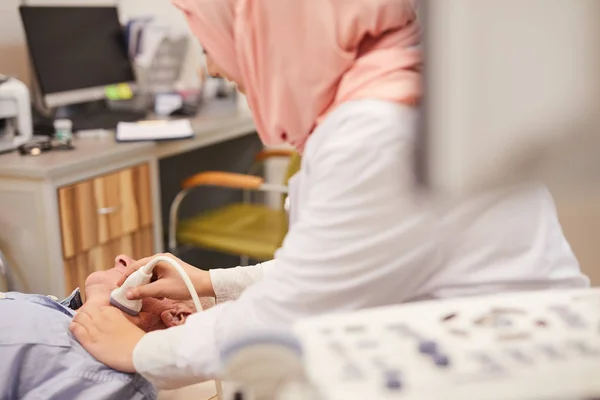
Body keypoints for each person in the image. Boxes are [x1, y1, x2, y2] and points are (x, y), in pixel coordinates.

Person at [70, 0, 590, 390]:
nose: (212, 68)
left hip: (511, 369)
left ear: (266, 30)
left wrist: (141, 350)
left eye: (209, 44)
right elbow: (343, 266)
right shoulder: (380, 94)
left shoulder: (379, 128)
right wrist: (207, 283)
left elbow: (292, 312)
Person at [0, 255, 206, 399]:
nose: (121, 258)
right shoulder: (56, 312)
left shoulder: (110, 382)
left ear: (177, 316)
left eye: (151, 275)